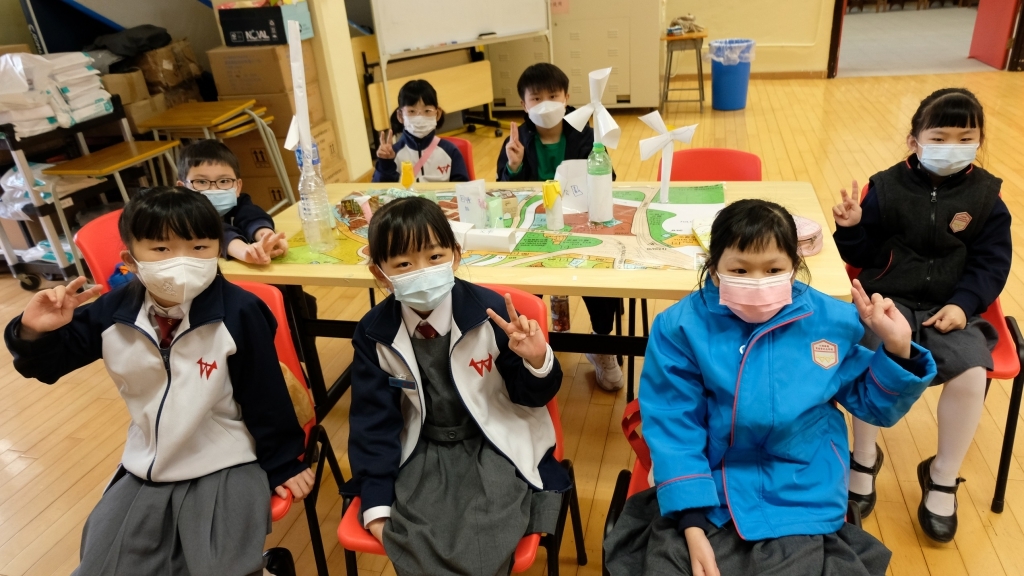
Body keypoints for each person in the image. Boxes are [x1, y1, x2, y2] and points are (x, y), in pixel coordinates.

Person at [604, 199, 937, 576]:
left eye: (773, 269)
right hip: (710, 491)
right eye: (740, 270)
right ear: (714, 269)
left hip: (800, 490)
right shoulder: (680, 327)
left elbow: (875, 404)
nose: (758, 281)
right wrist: (691, 523)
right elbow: (674, 426)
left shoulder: (829, 320)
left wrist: (898, 347)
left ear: (794, 266)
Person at [4, 187, 315, 575]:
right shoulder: (112, 311)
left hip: (228, 458)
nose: (182, 260)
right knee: (102, 566)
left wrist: (284, 462)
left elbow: (265, 394)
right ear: (130, 261)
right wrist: (32, 332)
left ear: (217, 250)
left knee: (222, 567)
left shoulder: (240, 312)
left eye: (198, 247)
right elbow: (46, 366)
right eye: (162, 249)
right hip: (148, 460)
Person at [342, 196, 569, 576]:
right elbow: (372, 423)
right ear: (380, 274)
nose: (422, 271)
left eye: (435, 257)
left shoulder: (490, 313)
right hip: (422, 448)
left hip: (491, 441)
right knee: (416, 533)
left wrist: (535, 359)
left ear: (456, 256)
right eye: (404, 264)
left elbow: (531, 397)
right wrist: (377, 507)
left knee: (491, 532)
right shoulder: (373, 333)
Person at [833, 87, 1011, 542]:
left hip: (951, 307)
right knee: (869, 354)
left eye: (965, 138)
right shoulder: (887, 186)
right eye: (940, 137)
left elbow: (991, 264)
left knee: (973, 371)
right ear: (915, 141)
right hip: (888, 299)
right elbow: (863, 255)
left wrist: (963, 304)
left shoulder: (987, 198)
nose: (953, 147)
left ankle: (943, 476)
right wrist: (850, 229)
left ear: (979, 140)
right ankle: (863, 457)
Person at [496, 62, 623, 391]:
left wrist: (598, 160)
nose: (546, 104)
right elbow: (507, 195)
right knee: (522, 287)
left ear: (567, 98)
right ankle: (526, 345)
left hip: (581, 227)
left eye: (553, 96)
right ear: (524, 105)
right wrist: (514, 165)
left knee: (600, 279)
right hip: (534, 231)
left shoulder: (586, 135)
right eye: (536, 98)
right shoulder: (517, 141)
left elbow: (607, 180)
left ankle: (601, 343)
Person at [177, 139, 289, 265]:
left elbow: (252, 216)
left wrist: (267, 236)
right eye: (201, 182)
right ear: (182, 188)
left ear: (238, 186)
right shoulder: (183, 216)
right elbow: (217, 233)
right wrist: (245, 251)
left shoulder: (238, 202)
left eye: (224, 181)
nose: (214, 189)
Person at [373, 79, 470, 183]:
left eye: (427, 111)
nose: (420, 117)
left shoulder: (450, 151)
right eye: (412, 111)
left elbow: (462, 186)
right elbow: (380, 190)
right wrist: (385, 164)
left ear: (437, 114)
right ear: (400, 116)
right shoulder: (393, 153)